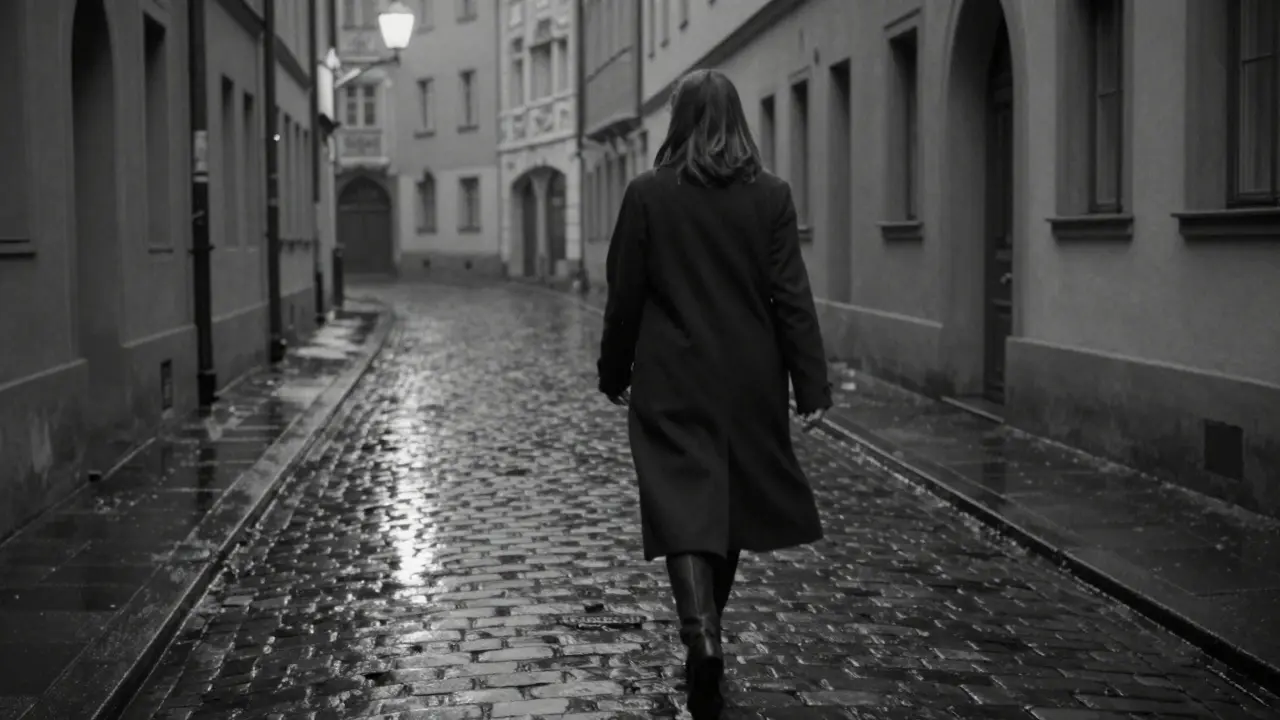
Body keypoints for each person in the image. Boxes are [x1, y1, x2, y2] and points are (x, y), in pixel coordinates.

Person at [596, 68, 832, 719]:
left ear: (679, 120)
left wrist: (613, 371)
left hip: (673, 377)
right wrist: (811, 385)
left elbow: (625, 298)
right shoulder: (772, 197)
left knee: (685, 510)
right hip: (750, 382)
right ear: (738, 121)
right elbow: (792, 298)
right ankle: (707, 636)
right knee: (721, 511)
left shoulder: (648, 195)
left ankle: (703, 638)